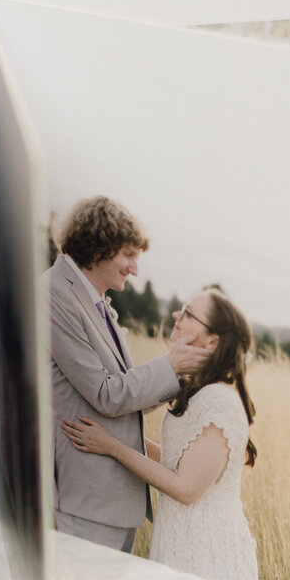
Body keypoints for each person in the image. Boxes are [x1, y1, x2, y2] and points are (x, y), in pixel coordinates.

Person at [61, 287, 259, 580]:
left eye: (190, 314)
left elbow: (186, 488)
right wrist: (114, 436)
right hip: (180, 541)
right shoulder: (201, 390)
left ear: (213, 340)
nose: (177, 315)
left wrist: (111, 447)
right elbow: (174, 462)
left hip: (206, 554)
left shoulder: (219, 399)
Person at [45, 196, 208, 553]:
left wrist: (178, 375)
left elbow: (126, 401)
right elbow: (108, 395)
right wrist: (171, 366)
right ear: (100, 248)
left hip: (113, 504)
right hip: (85, 502)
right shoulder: (54, 294)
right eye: (129, 255)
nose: (135, 269)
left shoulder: (96, 301)